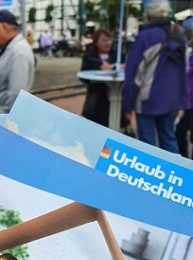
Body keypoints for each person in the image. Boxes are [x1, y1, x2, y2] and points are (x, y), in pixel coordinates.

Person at [122, 0, 189, 153]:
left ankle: (148, 176)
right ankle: (174, 175)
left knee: (147, 145)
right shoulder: (179, 36)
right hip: (171, 99)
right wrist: (180, 100)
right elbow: (183, 71)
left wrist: (128, 104)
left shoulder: (145, 37)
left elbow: (133, 73)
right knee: (168, 139)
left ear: (149, 16)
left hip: (147, 98)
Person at [0, 10, 35, 113]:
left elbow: (16, 97)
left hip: (1, 120)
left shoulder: (19, 52)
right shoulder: (11, 49)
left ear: (5, 28)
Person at [81, 28, 128, 128]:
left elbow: (126, 68)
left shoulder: (118, 55)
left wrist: (119, 67)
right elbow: (83, 75)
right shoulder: (89, 56)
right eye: (104, 40)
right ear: (96, 41)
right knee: (97, 127)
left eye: (109, 40)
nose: (107, 43)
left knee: (116, 126)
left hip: (116, 97)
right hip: (97, 99)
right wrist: (98, 67)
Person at [175, 16, 193, 159]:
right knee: (180, 132)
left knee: (181, 132)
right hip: (187, 100)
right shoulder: (187, 50)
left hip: (189, 100)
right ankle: (185, 162)